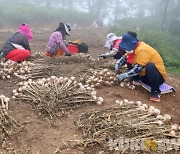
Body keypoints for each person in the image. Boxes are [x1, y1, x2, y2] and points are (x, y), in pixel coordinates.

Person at [115, 32, 167, 102]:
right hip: (145, 76)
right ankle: (136, 79)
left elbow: (138, 68)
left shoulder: (143, 50)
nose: (126, 49)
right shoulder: (133, 48)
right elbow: (125, 57)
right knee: (129, 60)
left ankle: (155, 92)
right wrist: (118, 64)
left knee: (150, 66)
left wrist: (125, 75)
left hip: (158, 78)